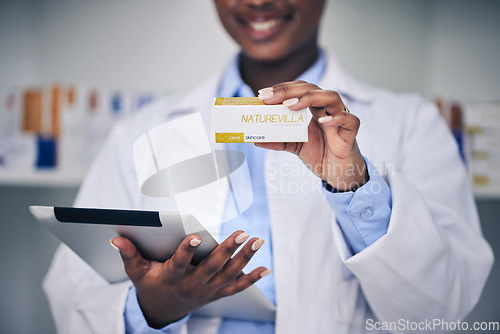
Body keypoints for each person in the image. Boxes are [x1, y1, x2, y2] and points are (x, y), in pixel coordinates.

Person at [43, 0, 494, 333]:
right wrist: (152, 309)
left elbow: (439, 311)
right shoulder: (142, 131)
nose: (258, 1)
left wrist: (353, 185)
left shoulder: (411, 124)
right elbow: (71, 296)